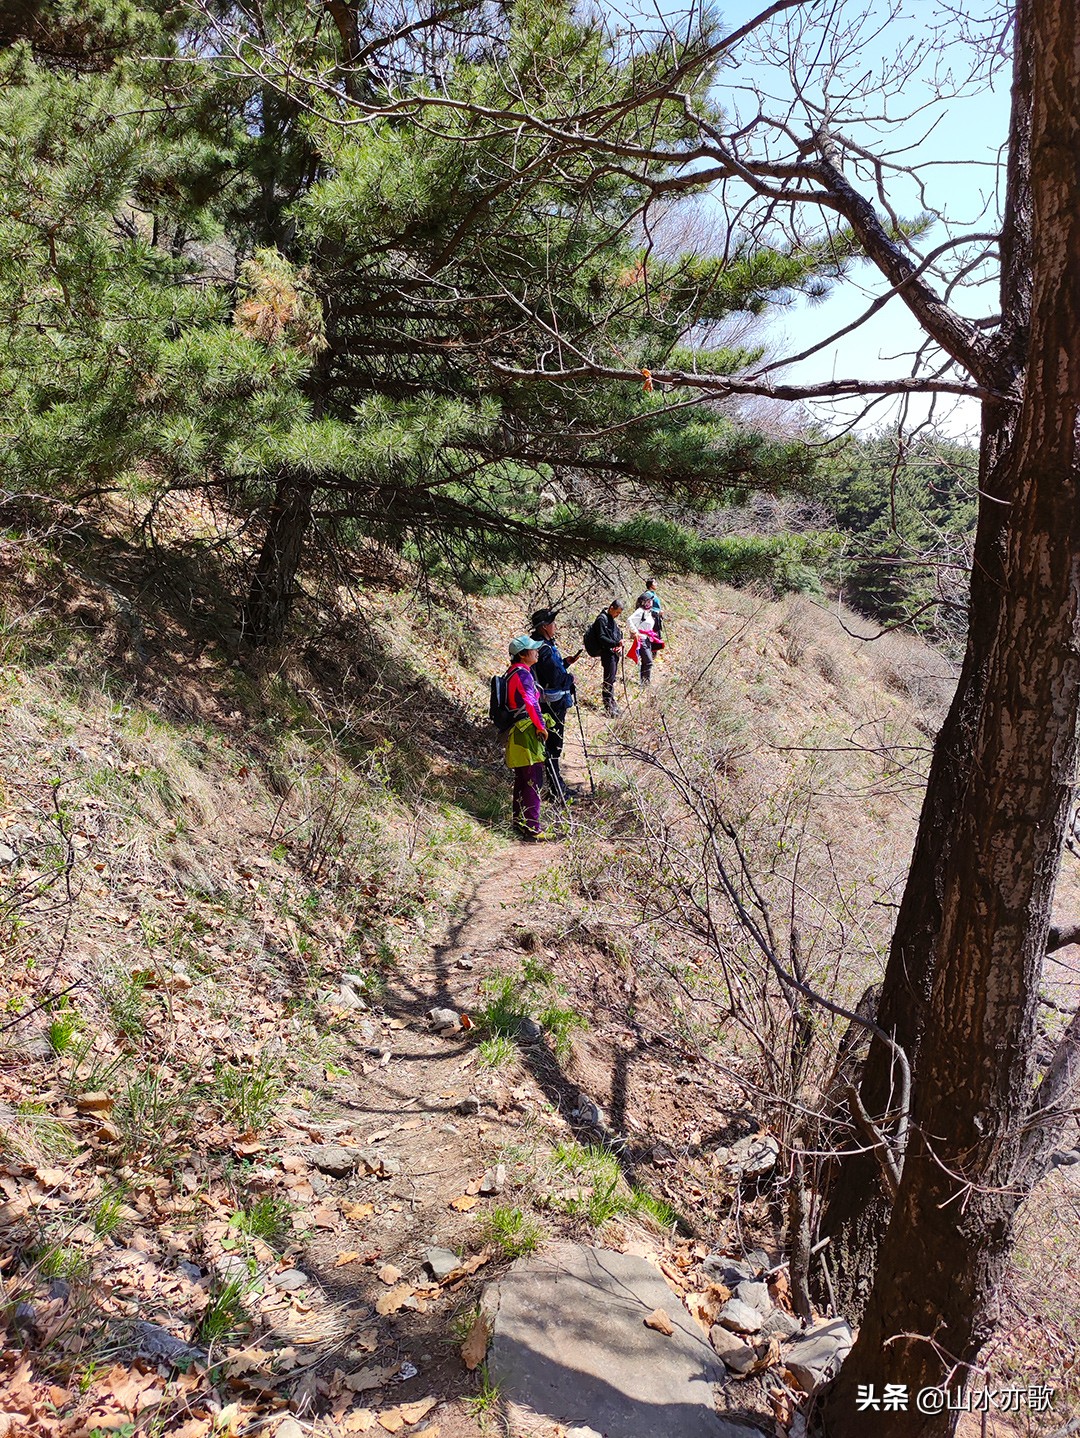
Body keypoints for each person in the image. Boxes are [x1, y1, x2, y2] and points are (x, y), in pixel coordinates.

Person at [529, 607, 581, 803]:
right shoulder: (543, 648)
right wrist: (570, 678)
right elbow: (554, 678)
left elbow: (549, 672)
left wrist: (565, 663)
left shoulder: (540, 644)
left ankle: (557, 787)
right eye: (552, 623)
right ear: (544, 627)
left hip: (549, 701)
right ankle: (556, 791)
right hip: (551, 703)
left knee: (552, 745)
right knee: (553, 745)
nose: (555, 626)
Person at [503, 635, 548, 841]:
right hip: (526, 732)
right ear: (522, 654)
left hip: (517, 731)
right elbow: (530, 702)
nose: (536, 652)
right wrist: (541, 726)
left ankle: (520, 822)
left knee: (522, 778)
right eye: (533, 649)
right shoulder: (522, 674)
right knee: (533, 779)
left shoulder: (512, 672)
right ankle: (532, 827)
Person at [594, 600, 625, 715]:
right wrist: (616, 644)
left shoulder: (611, 619)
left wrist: (619, 645)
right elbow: (602, 638)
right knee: (608, 680)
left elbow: (617, 634)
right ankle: (608, 707)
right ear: (611, 608)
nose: (617, 615)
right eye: (617, 612)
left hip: (613, 653)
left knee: (611, 679)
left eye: (619, 613)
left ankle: (612, 704)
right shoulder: (601, 620)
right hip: (607, 654)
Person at [627, 594, 660, 686]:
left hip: (647, 639)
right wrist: (635, 632)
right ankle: (645, 683)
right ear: (643, 602)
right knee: (648, 661)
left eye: (651, 601)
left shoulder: (648, 612)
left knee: (647, 661)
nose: (650, 603)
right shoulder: (640, 611)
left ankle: (644, 683)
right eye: (648, 601)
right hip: (641, 639)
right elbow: (629, 620)